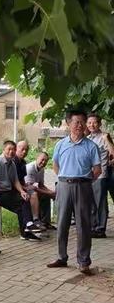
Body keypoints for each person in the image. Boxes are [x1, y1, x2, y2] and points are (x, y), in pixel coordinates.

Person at [47, 110, 101, 275]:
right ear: (68, 123)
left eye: (82, 122)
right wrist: (66, 178)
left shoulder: (91, 146)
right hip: (63, 186)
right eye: (76, 122)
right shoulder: (60, 144)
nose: (80, 125)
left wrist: (83, 180)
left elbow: (97, 170)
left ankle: (83, 261)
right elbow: (55, 166)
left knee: (83, 225)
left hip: (83, 186)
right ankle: (62, 257)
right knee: (62, 223)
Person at [0, 140, 41, 241]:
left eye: (13, 149)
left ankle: (25, 232)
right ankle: (29, 225)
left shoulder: (12, 163)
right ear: (4, 150)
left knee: (24, 200)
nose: (11, 152)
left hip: (6, 192)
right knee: (21, 203)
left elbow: (15, 180)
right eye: (9, 149)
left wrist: (22, 191)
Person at [86, 113, 109, 238]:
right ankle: (93, 226)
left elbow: (112, 151)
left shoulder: (104, 137)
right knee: (92, 202)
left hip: (101, 174)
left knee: (100, 202)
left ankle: (101, 228)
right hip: (89, 175)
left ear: (99, 124)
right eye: (89, 122)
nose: (91, 125)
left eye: (94, 122)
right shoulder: (88, 139)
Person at [14, 140, 45, 231]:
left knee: (42, 195)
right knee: (31, 195)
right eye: (22, 149)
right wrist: (24, 188)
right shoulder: (13, 161)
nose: (24, 152)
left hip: (20, 186)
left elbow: (22, 179)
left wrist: (25, 186)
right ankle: (33, 221)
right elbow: (13, 180)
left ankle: (43, 221)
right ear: (16, 148)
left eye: (26, 150)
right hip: (12, 188)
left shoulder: (23, 162)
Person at [25, 151, 56, 229]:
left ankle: (45, 222)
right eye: (42, 160)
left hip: (33, 189)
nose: (43, 162)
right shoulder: (30, 168)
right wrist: (49, 193)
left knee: (46, 195)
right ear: (37, 158)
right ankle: (36, 220)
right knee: (36, 194)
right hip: (25, 189)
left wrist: (51, 192)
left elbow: (41, 185)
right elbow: (32, 187)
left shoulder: (41, 169)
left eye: (46, 161)